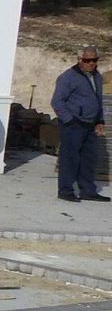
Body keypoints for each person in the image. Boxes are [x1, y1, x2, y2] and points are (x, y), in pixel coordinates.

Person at [51, 45, 108, 203]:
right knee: (69, 158)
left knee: (89, 159)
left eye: (94, 60)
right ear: (79, 59)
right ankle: (66, 190)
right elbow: (57, 101)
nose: (91, 63)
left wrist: (100, 120)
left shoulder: (97, 76)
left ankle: (88, 190)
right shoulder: (68, 77)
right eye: (87, 60)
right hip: (73, 124)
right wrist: (69, 120)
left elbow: (98, 100)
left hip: (90, 125)